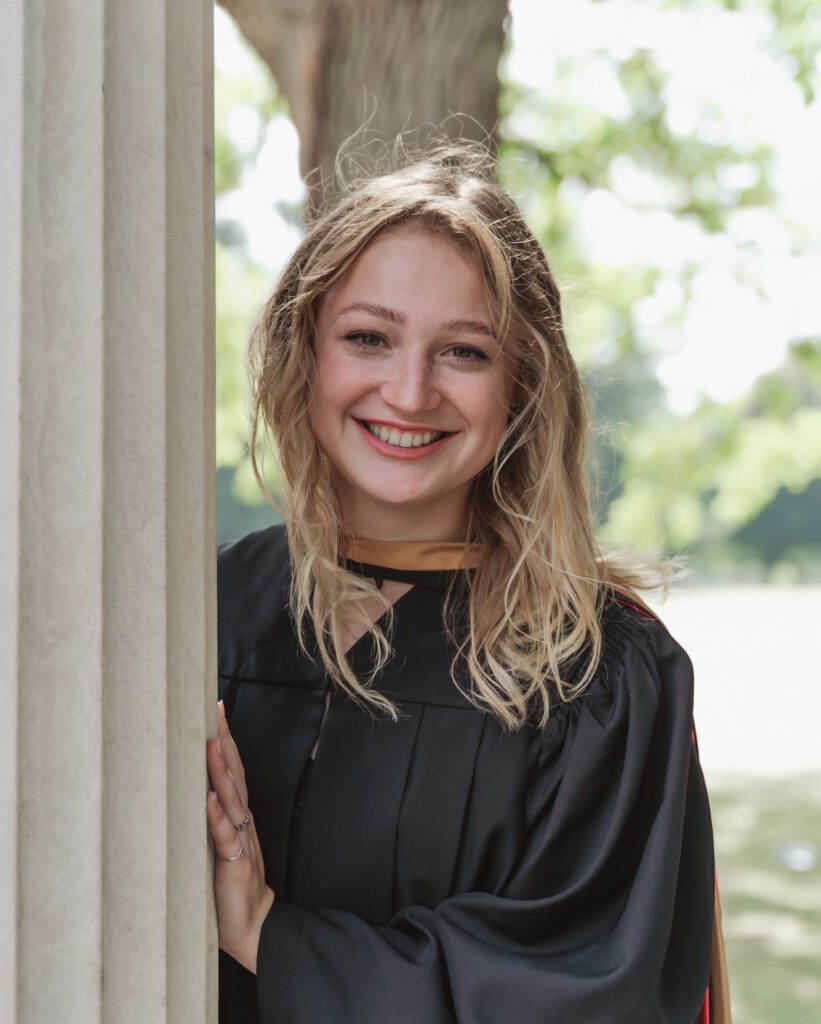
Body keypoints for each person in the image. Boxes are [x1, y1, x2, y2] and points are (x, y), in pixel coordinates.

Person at [206, 139, 731, 1023]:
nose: (409, 393)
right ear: (307, 351)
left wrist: (271, 936)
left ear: (522, 385)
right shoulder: (216, 613)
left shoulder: (596, 672)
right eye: (367, 338)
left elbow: (591, 994)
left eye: (464, 353)